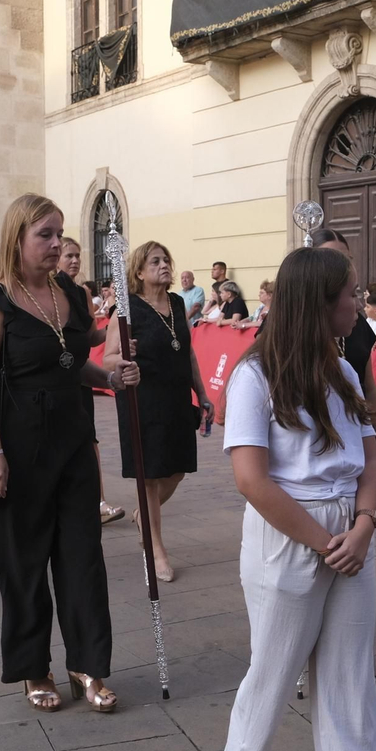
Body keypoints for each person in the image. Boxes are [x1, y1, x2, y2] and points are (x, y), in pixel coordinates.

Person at [210, 247, 376, 751]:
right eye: (351, 294)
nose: (360, 304)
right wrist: (326, 540)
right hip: (290, 536)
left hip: (350, 534)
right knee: (273, 671)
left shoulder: (345, 371)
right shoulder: (255, 376)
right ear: (319, 304)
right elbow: (251, 479)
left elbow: (374, 458)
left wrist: (364, 525)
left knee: (351, 680)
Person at [0, 193, 138, 711]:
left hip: (73, 440)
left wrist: (109, 376)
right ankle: (33, 668)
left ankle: (87, 663)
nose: (56, 243)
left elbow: (70, 363)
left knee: (83, 556)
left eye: (60, 233)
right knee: (24, 562)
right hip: (19, 445)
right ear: (17, 238)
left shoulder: (69, 290)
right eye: (44, 234)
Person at [106, 240, 212, 583]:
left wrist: (202, 392)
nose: (164, 265)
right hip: (143, 397)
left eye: (166, 259)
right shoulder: (126, 308)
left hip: (177, 397)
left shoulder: (178, 303)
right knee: (150, 476)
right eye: (155, 261)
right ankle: (155, 549)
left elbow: (189, 353)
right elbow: (108, 358)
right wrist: (124, 353)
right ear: (139, 271)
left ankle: (143, 518)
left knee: (176, 471)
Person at [311, 228, 376, 486]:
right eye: (331, 258)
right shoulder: (285, 326)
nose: (342, 267)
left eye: (347, 259)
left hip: (357, 440)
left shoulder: (356, 323)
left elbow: (368, 390)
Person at [58, 233, 124, 526]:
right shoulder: (52, 288)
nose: (74, 260)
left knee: (89, 438)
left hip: (81, 372)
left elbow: (90, 336)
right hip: (62, 374)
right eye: (68, 255)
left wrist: (114, 323)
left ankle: (97, 501)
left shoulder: (82, 292)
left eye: (77, 255)